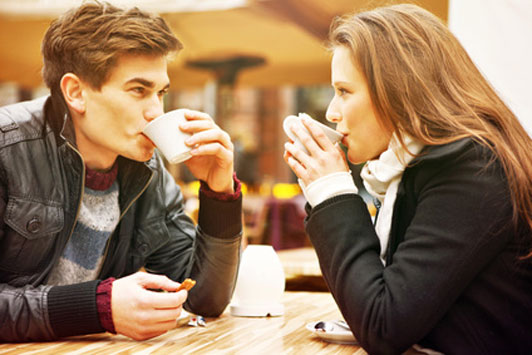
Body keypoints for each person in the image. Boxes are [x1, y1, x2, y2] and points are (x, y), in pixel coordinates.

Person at [283, 4, 532, 354]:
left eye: (344, 91)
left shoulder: (473, 167)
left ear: (398, 90)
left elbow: (384, 324)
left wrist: (331, 193)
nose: (331, 112)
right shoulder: (419, 167)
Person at [0, 1, 242, 342]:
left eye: (161, 93)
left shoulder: (148, 170)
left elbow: (205, 299)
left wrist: (218, 193)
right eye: (138, 90)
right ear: (76, 92)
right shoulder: (7, 150)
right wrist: (97, 308)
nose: (156, 112)